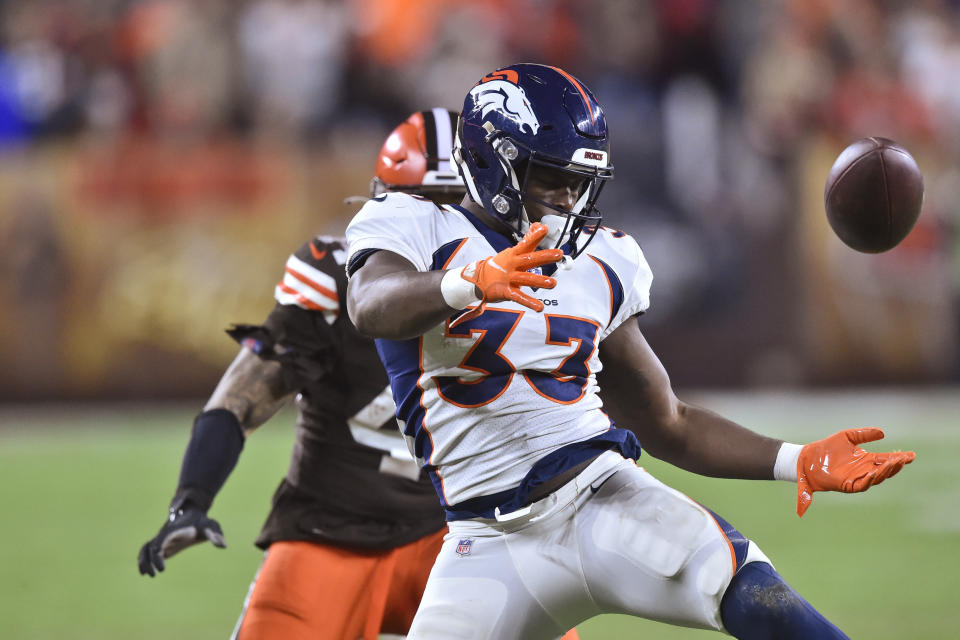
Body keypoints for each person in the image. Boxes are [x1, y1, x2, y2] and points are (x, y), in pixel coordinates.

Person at [344, 63, 917, 640]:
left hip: (604, 501)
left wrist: (799, 460)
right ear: (496, 163)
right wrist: (469, 280)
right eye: (552, 178)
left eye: (580, 183)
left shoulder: (603, 261)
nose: (569, 200)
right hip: (484, 540)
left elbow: (669, 421)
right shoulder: (413, 223)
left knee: (758, 596)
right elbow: (370, 304)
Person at [138, 109, 463, 640]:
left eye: (455, 207)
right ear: (383, 201)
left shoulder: (514, 279)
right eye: (423, 205)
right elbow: (240, 400)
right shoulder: (335, 279)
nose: (439, 225)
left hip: (457, 533)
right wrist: (191, 498)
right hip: (331, 531)